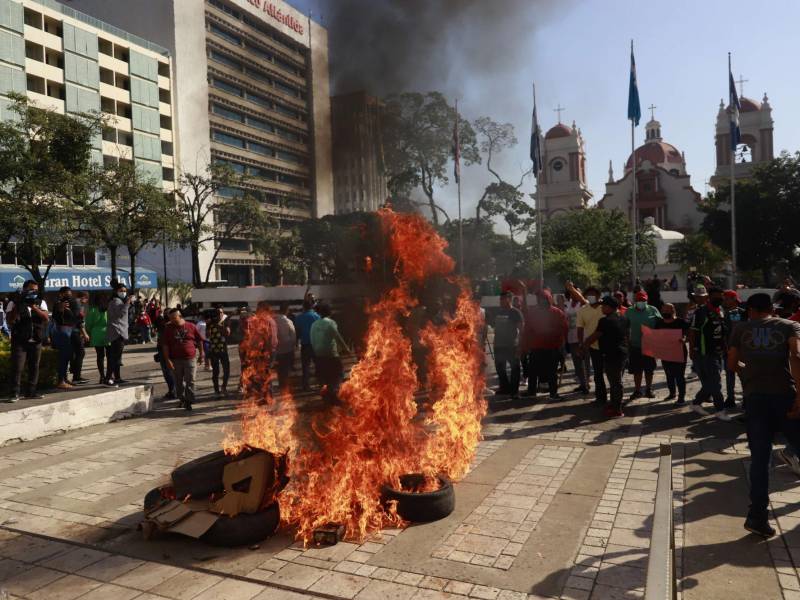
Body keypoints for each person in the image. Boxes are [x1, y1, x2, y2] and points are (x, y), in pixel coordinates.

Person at [728, 293, 800, 538]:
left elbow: (731, 363)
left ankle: (757, 516)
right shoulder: (790, 326)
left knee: (760, 459)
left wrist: (746, 376)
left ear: (750, 310)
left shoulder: (740, 329)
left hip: (756, 399)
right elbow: (796, 356)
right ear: (772, 308)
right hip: (785, 397)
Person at [688, 286, 730, 421]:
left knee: (711, 382)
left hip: (718, 352)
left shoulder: (721, 310)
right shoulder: (701, 312)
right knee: (715, 382)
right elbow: (693, 332)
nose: (720, 299)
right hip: (704, 352)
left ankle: (696, 403)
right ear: (709, 298)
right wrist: (692, 350)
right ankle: (720, 409)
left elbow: (722, 332)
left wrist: (726, 348)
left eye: (721, 296)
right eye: (717, 296)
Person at [582, 296, 629, 417]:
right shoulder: (624, 318)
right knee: (616, 381)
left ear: (609, 307)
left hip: (612, 354)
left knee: (615, 382)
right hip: (622, 353)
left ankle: (617, 409)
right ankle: (615, 404)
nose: (601, 308)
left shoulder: (605, 321)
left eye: (603, 306)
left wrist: (584, 345)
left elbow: (594, 336)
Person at [6, 281, 48, 402]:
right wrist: (18, 306)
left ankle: (31, 392)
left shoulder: (41, 302)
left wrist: (34, 307)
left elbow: (45, 318)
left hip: (36, 339)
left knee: (34, 366)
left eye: (35, 290)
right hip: (20, 340)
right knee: (17, 367)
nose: (34, 292)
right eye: (31, 290)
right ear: (24, 289)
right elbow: (10, 321)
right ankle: (14, 393)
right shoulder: (13, 302)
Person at [521, 290, 568, 399]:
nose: (541, 301)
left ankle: (553, 393)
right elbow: (527, 330)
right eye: (539, 299)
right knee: (533, 371)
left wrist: (561, 344)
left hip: (552, 347)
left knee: (552, 372)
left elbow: (564, 329)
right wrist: (525, 345)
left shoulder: (557, 312)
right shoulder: (533, 312)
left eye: (543, 299)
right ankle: (532, 391)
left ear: (548, 299)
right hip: (536, 347)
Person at [162, 308, 204, 410]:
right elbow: (165, 345)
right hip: (176, 360)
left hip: (190, 358)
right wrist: (167, 360)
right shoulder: (168, 328)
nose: (171, 320)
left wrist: (202, 354)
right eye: (170, 318)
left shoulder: (191, 326)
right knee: (178, 382)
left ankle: (189, 401)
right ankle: (182, 398)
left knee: (191, 380)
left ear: (180, 316)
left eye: (173, 318)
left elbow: (199, 341)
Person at [310, 302, 350, 404]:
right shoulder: (331, 323)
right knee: (339, 374)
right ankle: (333, 394)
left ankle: (326, 396)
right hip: (331, 355)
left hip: (318, 355)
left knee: (326, 376)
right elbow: (337, 337)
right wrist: (346, 349)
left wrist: (317, 352)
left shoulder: (314, 324)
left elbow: (312, 339)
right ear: (330, 312)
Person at [626, 291, 661, 400]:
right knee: (637, 370)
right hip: (635, 345)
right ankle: (637, 390)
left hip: (650, 345)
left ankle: (648, 389)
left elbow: (661, 323)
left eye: (643, 300)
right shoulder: (629, 311)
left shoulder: (653, 309)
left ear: (646, 300)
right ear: (635, 301)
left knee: (649, 370)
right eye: (639, 300)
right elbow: (624, 325)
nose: (641, 302)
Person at [492, 291, 524, 399]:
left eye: (503, 299)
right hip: (499, 346)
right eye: (500, 299)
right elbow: (495, 329)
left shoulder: (515, 312)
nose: (500, 301)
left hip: (511, 346)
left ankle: (514, 391)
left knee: (515, 368)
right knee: (500, 368)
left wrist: (520, 346)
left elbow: (521, 330)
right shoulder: (498, 312)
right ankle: (505, 388)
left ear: (509, 299)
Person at [577, 286, 606, 405]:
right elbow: (580, 329)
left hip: (609, 345)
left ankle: (615, 397)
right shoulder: (582, 310)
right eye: (588, 295)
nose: (591, 297)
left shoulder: (605, 308)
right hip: (593, 346)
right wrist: (581, 345)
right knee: (598, 374)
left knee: (612, 373)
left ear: (599, 296)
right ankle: (601, 397)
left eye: (594, 294)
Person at [656, 303, 689, 404]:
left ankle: (681, 397)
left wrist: (684, 339)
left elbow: (689, 334)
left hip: (679, 352)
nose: (665, 312)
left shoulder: (681, 322)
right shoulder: (659, 323)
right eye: (664, 310)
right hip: (666, 353)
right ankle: (672, 393)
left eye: (668, 310)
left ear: (673, 311)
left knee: (679, 375)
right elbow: (656, 336)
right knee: (669, 375)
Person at [52, 287, 80, 390]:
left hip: (68, 331)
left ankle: (64, 378)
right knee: (63, 357)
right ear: (61, 294)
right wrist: (61, 309)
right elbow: (57, 317)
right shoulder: (58, 304)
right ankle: (61, 381)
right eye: (67, 294)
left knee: (68, 356)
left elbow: (74, 318)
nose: (69, 296)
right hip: (62, 331)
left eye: (70, 294)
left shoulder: (69, 304)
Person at [564, 282, 590, 394]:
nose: (574, 294)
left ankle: (586, 383)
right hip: (571, 337)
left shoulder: (584, 303)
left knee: (584, 361)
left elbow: (582, 299)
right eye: (571, 292)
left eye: (576, 292)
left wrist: (572, 288)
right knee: (576, 362)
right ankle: (582, 383)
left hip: (583, 337)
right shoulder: (569, 304)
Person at [723, 290, 747, 408]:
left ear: (734, 299)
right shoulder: (724, 313)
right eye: (725, 299)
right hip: (732, 348)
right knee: (731, 374)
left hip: (739, 349)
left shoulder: (740, 313)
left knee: (741, 374)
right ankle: (731, 398)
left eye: (727, 298)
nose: (725, 301)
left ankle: (743, 399)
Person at [105, 282, 132, 386]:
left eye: (125, 291)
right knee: (115, 357)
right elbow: (120, 314)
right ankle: (108, 378)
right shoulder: (116, 301)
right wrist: (128, 303)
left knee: (117, 357)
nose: (124, 292)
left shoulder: (119, 301)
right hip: (117, 332)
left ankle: (117, 377)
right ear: (116, 291)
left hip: (119, 331)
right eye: (121, 291)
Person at [294, 300, 320, 391]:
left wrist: (296, 342)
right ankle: (321, 383)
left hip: (305, 345)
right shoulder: (317, 316)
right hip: (315, 344)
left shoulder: (299, 318)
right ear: (311, 307)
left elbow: (297, 331)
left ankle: (306, 385)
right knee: (318, 365)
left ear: (303, 307)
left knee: (305, 366)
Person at [84, 294, 110, 385]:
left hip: (96, 334)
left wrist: (89, 332)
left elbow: (88, 324)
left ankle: (102, 376)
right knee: (110, 356)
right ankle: (109, 375)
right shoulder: (108, 309)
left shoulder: (93, 310)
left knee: (100, 357)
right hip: (108, 333)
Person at [206, 308, 231, 397]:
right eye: (217, 313)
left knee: (227, 370)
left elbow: (227, 333)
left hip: (223, 350)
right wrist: (209, 325)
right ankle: (216, 391)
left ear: (223, 313)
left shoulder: (226, 321)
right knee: (215, 372)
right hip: (213, 350)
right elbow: (207, 335)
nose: (219, 314)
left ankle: (224, 387)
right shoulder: (210, 323)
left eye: (221, 312)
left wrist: (219, 326)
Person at [273, 302, 297, 392]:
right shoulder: (288, 321)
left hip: (278, 349)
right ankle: (285, 386)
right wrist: (293, 345)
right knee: (286, 368)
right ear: (286, 311)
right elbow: (293, 335)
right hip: (287, 349)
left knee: (279, 369)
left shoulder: (274, 320)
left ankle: (281, 384)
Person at [153, 313, 176, 400]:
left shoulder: (165, 328)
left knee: (168, 373)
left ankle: (173, 391)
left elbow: (163, 343)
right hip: (164, 352)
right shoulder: (166, 328)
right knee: (169, 373)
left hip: (166, 353)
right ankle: (172, 390)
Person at [69, 291, 90, 384]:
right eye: (86, 298)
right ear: (84, 297)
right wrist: (84, 333)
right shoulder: (77, 303)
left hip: (73, 332)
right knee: (81, 352)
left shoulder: (77, 303)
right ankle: (76, 376)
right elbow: (79, 321)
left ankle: (75, 373)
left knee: (76, 353)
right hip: (74, 332)